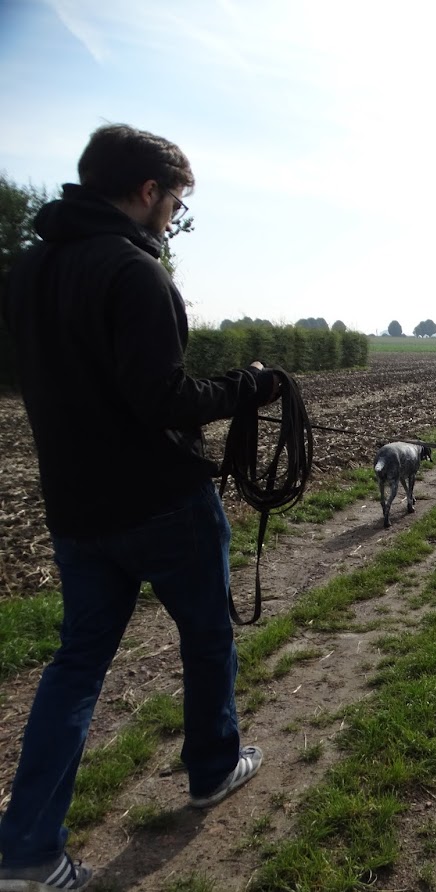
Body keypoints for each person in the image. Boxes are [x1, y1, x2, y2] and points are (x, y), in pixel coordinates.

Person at [0, 124, 279, 891]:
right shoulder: (134, 272)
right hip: (162, 502)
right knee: (207, 634)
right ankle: (213, 767)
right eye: (175, 201)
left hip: (76, 510)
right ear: (147, 191)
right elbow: (165, 399)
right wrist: (248, 385)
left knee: (76, 666)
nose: (173, 217)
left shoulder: (28, 271)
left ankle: (26, 849)